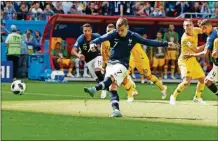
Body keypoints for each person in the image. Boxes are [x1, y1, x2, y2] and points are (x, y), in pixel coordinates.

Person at [84, 18, 177, 117]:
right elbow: (100, 39)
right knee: (112, 88)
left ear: (127, 27)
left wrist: (166, 43)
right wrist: (93, 43)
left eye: (122, 30)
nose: (119, 32)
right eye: (118, 30)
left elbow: (149, 42)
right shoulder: (113, 33)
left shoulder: (133, 36)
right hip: (111, 64)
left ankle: (94, 88)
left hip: (122, 65)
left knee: (111, 78)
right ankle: (116, 111)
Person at [169, 19, 206, 105]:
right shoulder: (185, 39)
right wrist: (208, 43)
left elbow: (204, 30)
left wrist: (203, 25)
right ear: (184, 27)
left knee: (202, 79)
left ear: (193, 25)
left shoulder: (195, 30)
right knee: (186, 81)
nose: (188, 27)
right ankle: (173, 96)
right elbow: (196, 50)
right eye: (186, 25)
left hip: (192, 59)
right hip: (185, 60)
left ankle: (197, 97)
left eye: (189, 25)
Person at [101, 23, 138, 102]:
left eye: (111, 31)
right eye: (108, 31)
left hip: (121, 62)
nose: (109, 33)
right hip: (110, 62)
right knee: (116, 79)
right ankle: (131, 90)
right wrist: (104, 63)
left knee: (122, 78)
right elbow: (103, 52)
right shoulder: (104, 40)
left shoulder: (120, 38)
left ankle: (130, 93)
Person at [72, 23, 107, 98]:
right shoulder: (80, 39)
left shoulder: (97, 36)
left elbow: (105, 43)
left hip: (97, 56)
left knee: (97, 70)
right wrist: (79, 55)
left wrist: (100, 48)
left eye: (88, 30)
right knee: (97, 79)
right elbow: (73, 50)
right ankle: (105, 87)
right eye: (85, 31)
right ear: (83, 31)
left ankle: (104, 89)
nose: (87, 32)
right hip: (88, 61)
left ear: (91, 31)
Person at [185, 19, 218, 97]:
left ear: (210, 26)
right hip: (216, 64)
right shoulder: (215, 30)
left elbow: (205, 53)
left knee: (207, 81)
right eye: (202, 28)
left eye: (205, 28)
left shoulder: (210, 37)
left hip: (217, 64)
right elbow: (205, 46)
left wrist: (192, 55)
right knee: (207, 81)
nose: (203, 30)